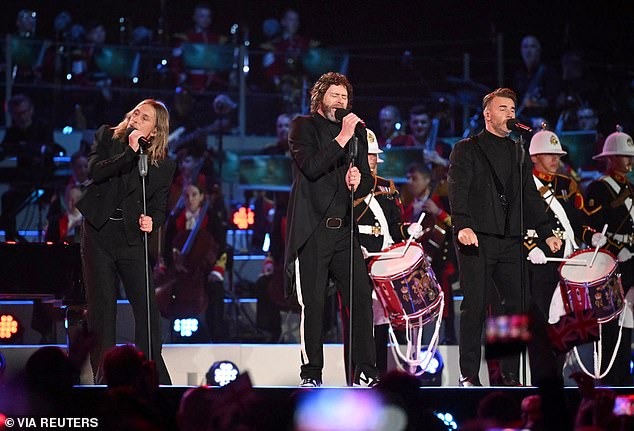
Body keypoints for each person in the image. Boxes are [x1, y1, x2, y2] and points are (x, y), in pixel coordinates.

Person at [447, 87, 562, 386]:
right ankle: (469, 374)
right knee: (474, 304)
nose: (510, 113)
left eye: (512, 109)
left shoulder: (518, 150)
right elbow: (457, 189)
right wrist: (463, 225)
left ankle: (508, 374)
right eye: (502, 108)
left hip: (510, 239)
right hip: (477, 238)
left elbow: (529, 196)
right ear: (487, 114)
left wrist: (546, 231)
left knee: (515, 304)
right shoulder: (467, 148)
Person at [284, 71, 379, 387]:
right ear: (320, 97)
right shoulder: (303, 126)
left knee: (361, 299)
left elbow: (366, 177)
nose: (341, 101)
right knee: (313, 305)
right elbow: (310, 167)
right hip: (313, 229)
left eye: (345, 96)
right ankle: (311, 374)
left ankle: (365, 370)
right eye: (335, 95)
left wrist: (359, 181)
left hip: (344, 230)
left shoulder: (357, 133)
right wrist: (341, 137)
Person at [76, 99, 176, 385]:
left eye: (144, 118)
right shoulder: (108, 136)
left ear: (155, 131)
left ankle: (150, 374)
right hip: (99, 234)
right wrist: (129, 152)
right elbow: (96, 171)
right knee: (102, 311)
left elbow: (159, 206)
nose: (135, 118)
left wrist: (153, 221)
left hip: (131, 239)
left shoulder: (163, 164)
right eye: (135, 112)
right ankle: (103, 378)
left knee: (146, 308)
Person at [341, 128, 423, 376]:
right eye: (368, 155)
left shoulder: (388, 188)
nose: (373, 160)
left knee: (383, 326)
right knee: (357, 327)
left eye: (375, 155)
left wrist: (409, 230)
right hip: (358, 265)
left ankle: (380, 378)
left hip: (387, 265)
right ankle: (356, 377)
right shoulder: (342, 189)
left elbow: (396, 227)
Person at [523, 127, 599, 385]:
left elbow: (577, 220)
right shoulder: (524, 186)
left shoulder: (567, 184)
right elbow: (517, 222)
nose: (556, 160)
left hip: (568, 261)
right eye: (549, 155)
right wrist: (529, 247)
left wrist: (590, 236)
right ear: (534, 157)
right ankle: (545, 382)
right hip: (541, 263)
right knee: (544, 326)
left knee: (572, 324)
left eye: (558, 155)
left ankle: (573, 379)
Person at [581, 126, 634, 386]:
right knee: (612, 319)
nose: (630, 161)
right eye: (624, 156)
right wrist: (614, 248)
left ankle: (624, 372)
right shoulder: (599, 189)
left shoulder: (631, 189)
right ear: (610, 158)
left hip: (632, 259)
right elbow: (594, 230)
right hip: (612, 262)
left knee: (630, 319)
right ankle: (611, 375)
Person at [403, 163, 457, 344]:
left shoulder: (440, 202)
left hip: (439, 264)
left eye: (415, 178)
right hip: (415, 267)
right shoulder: (410, 207)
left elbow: (455, 228)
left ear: (427, 180)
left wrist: (438, 212)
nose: (410, 183)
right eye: (409, 178)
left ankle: (447, 340)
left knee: (444, 306)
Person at [0, 94, 57, 241]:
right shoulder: (13, 132)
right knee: (7, 203)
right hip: (22, 182)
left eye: (24, 112)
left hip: (44, 181)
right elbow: (4, 150)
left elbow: (49, 150)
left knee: (56, 206)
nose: (22, 117)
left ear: (31, 111)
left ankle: (52, 242)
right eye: (17, 114)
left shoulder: (43, 127)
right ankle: (11, 241)